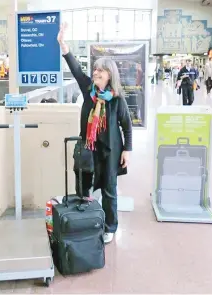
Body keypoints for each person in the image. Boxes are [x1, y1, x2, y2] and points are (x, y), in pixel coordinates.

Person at [57, 23, 132, 244]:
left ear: (110, 75)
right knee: (84, 184)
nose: (96, 72)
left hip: (110, 150)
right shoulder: (88, 89)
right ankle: (87, 220)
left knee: (109, 190)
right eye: (95, 69)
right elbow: (75, 68)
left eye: (101, 70)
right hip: (89, 148)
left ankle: (110, 226)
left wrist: (127, 150)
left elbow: (126, 125)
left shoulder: (117, 99)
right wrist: (63, 44)